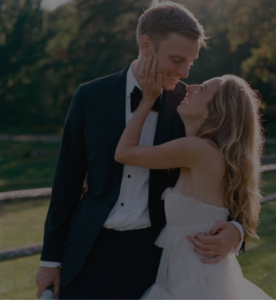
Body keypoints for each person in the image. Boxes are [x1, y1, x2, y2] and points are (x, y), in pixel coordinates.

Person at [35, 1, 245, 299]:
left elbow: (233, 172)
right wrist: (50, 260)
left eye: (191, 62)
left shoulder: (192, 107)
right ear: (146, 45)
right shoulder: (90, 96)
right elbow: (66, 182)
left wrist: (238, 229)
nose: (185, 72)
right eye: (176, 59)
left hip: (157, 258)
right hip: (88, 250)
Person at [115, 56, 272, 299]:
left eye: (204, 89)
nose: (190, 86)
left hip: (196, 281)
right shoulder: (211, 152)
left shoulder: (197, 150)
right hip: (198, 276)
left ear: (216, 115)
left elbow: (124, 153)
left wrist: (148, 100)